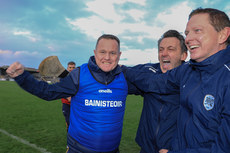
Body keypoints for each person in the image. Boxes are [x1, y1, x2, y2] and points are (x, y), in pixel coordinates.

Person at [7, 34, 137, 153]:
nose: (107, 57)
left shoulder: (124, 77)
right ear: (95, 53)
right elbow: (48, 92)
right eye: (102, 52)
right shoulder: (79, 75)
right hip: (78, 149)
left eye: (112, 53)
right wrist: (22, 76)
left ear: (119, 55)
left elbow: (151, 85)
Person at [125, 8, 230, 153]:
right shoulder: (188, 70)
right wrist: (120, 69)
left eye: (197, 30)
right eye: (187, 33)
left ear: (223, 35)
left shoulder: (226, 79)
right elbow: (155, 82)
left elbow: (224, 148)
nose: (188, 39)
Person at [122, 30, 187, 153]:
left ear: (183, 55)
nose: (164, 54)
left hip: (173, 150)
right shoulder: (149, 70)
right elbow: (118, 81)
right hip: (146, 148)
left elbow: (156, 82)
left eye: (171, 49)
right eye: (161, 49)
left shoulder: (189, 77)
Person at [61, 61, 75, 132]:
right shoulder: (64, 77)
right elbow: (61, 89)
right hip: (66, 104)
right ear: (67, 68)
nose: (71, 69)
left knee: (77, 122)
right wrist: (68, 97)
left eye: (73, 67)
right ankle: (70, 140)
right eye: (70, 67)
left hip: (75, 104)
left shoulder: (77, 77)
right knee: (69, 122)